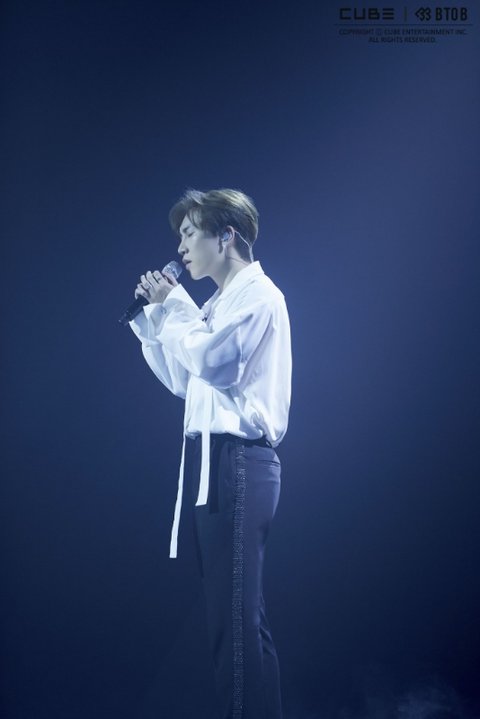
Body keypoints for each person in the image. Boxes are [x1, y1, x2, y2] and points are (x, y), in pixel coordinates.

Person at [128, 188, 292, 719]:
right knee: (240, 620)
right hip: (213, 462)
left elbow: (214, 362)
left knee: (235, 625)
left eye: (189, 233)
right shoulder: (217, 305)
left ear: (226, 237)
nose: (180, 248)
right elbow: (186, 379)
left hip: (239, 461)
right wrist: (154, 322)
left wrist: (173, 306)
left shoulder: (259, 295)